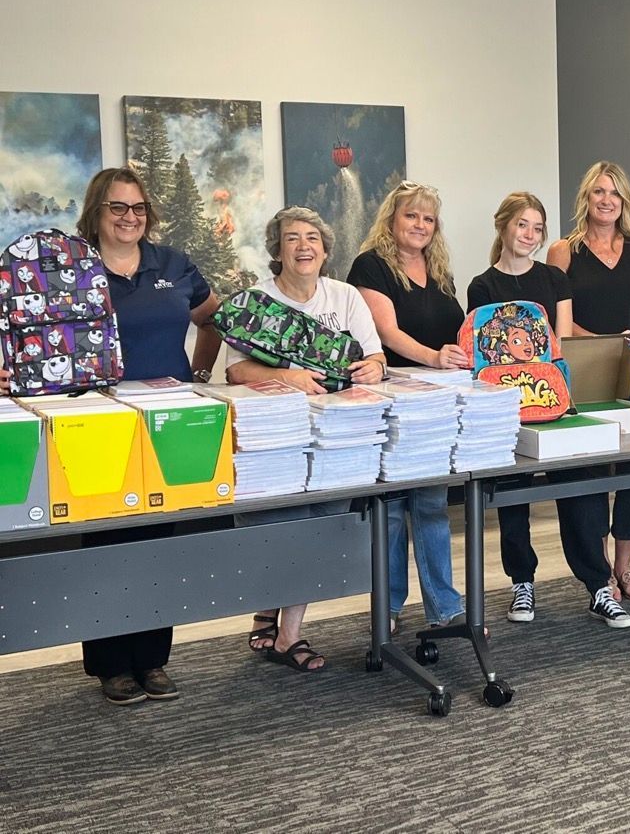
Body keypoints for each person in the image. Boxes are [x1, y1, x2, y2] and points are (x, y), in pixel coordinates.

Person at [76, 167, 222, 705]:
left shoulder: (174, 265)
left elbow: (213, 320)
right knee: (109, 545)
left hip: (170, 422)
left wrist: (202, 375)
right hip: (97, 425)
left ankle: (154, 659)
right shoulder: (71, 269)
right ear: (96, 212)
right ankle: (112, 664)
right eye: (118, 208)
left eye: (138, 208)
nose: (129, 217)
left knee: (164, 540)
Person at [228, 207, 387, 672]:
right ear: (277, 249)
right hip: (276, 436)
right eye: (292, 238)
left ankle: (288, 634)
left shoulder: (345, 296)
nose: (303, 246)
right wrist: (289, 375)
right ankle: (267, 608)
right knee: (281, 525)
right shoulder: (255, 300)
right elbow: (236, 369)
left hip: (336, 436)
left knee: (320, 525)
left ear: (325, 248)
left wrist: (374, 366)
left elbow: (375, 355)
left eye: (312, 238)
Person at [468, 192, 630, 628]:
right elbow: (485, 355)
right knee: (512, 495)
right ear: (503, 226)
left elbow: (559, 346)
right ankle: (521, 581)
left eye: (537, 228)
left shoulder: (555, 279)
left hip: (553, 400)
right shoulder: (482, 286)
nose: (530, 235)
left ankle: (598, 586)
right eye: (522, 225)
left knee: (582, 483)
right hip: (503, 408)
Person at [347, 181, 468, 634]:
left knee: (434, 505)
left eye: (428, 218)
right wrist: (434, 356)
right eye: (411, 216)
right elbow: (385, 332)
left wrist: (460, 355)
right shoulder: (371, 265)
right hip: (392, 396)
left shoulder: (438, 268)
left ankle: (445, 608)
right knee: (394, 510)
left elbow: (455, 329)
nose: (420, 225)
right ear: (392, 220)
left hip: (437, 401)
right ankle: (390, 607)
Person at [547, 161, 630, 602]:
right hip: (585, 370)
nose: (606, 200)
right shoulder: (563, 251)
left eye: (614, 193)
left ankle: (624, 567)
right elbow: (564, 324)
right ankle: (598, 576)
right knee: (590, 475)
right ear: (586, 199)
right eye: (598, 192)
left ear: (624, 201)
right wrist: (611, 342)